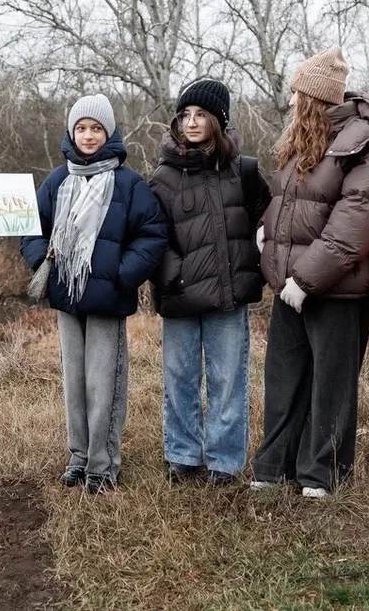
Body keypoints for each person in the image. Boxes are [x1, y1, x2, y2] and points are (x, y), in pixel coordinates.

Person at [251, 47, 369, 497]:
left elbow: (353, 228)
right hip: (289, 288)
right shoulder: (302, 147)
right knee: (284, 380)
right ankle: (274, 468)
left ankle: (322, 474)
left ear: (315, 99)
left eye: (297, 93)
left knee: (331, 387)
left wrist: (306, 279)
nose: (291, 101)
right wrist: (266, 233)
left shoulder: (364, 153)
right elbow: (288, 206)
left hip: (335, 293)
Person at [20, 94, 167, 494]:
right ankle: (79, 458)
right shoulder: (57, 181)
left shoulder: (128, 183)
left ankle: (103, 465)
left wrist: (121, 275)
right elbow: (30, 227)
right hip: (66, 296)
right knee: (74, 383)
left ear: (109, 132)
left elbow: (152, 235)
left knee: (104, 384)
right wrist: (43, 264)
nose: (88, 136)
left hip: (107, 299)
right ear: (72, 132)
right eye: (81, 128)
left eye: (96, 128)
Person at [148, 79, 271, 486]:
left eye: (201, 114)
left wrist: (251, 267)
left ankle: (225, 461)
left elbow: (267, 223)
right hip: (180, 293)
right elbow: (152, 233)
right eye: (185, 115)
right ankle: (183, 455)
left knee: (228, 379)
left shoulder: (243, 171)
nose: (192, 122)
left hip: (227, 295)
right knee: (180, 377)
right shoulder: (163, 175)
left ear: (219, 120)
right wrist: (174, 275)